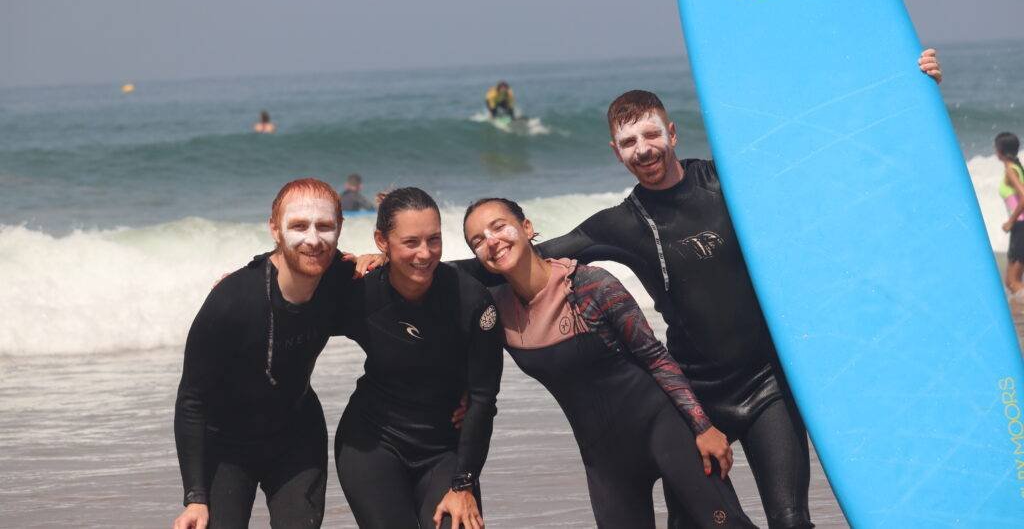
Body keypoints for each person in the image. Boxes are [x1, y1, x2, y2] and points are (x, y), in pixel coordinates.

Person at [451, 50, 943, 529]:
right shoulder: (622, 224)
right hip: (696, 392)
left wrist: (908, 90)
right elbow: (523, 256)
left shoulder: (728, 182)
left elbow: (826, 158)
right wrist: (420, 267)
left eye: (651, 134)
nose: (643, 149)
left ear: (672, 132)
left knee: (791, 520)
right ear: (616, 153)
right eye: (628, 142)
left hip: (766, 384)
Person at [463, 197, 757, 528]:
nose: (491, 241)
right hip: (603, 458)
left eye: (499, 227)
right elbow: (455, 329)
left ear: (527, 227)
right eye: (477, 240)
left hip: (664, 428)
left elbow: (655, 357)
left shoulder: (590, 285)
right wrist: (460, 395)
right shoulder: (497, 314)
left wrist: (702, 426)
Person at [173, 178, 354, 529]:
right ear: (275, 229)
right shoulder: (232, 300)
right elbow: (191, 400)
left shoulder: (343, 279)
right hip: (226, 445)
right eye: (298, 226)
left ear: (339, 228)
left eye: (324, 226)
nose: (313, 239)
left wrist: (458, 392)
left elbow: (406, 314)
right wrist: (195, 497)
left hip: (296, 435)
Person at [334, 187, 503, 529]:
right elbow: (293, 292)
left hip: (444, 448)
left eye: (434, 240)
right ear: (382, 241)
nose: (425, 254)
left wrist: (464, 483)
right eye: (411, 242)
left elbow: (483, 398)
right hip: (372, 443)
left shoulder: (471, 301)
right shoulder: (360, 292)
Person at [996, 131, 1024, 295]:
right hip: (1019, 227)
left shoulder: (1010, 170)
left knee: (1013, 282)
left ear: (999, 150)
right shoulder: (1017, 168)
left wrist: (1010, 221)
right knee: (1010, 281)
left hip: (1020, 225)